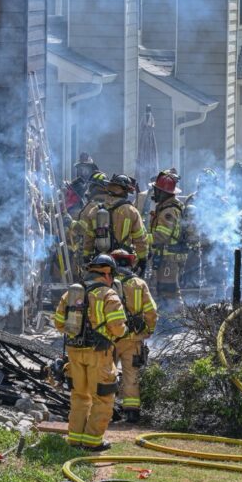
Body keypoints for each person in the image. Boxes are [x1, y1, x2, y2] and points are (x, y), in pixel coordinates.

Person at [53, 254, 127, 451]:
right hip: (99, 354)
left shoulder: (71, 294)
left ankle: (75, 439)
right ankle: (93, 441)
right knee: (102, 398)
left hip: (74, 353)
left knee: (79, 396)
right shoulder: (108, 295)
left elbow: (58, 323)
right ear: (108, 274)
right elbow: (118, 328)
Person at [109, 249, 157, 422]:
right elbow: (151, 311)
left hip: (110, 338)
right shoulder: (139, 283)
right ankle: (132, 412)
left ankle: (106, 411)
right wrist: (148, 331)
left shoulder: (106, 283)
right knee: (132, 375)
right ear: (130, 263)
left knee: (107, 374)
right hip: (133, 339)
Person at [78, 173, 148, 262]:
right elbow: (140, 238)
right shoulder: (131, 211)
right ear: (125, 191)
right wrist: (142, 259)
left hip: (101, 260)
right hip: (123, 259)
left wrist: (86, 256)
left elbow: (89, 237)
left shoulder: (95, 210)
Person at [147, 170, 187, 300]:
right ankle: (168, 318)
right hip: (168, 259)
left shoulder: (168, 211)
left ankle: (175, 319)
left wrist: (141, 239)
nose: (155, 193)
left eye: (157, 190)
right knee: (164, 293)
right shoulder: (170, 207)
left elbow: (161, 236)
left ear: (164, 192)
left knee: (169, 294)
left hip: (168, 261)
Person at [64, 153, 99, 220]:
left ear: (92, 170)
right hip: (75, 217)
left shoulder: (97, 184)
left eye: (86, 169)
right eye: (81, 169)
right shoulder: (75, 184)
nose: (83, 172)